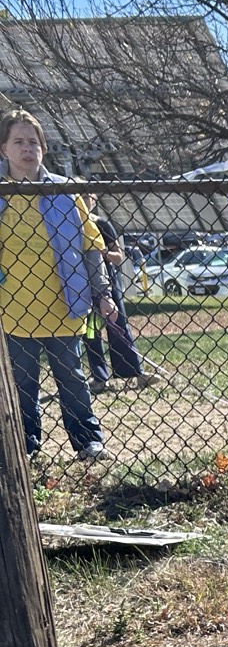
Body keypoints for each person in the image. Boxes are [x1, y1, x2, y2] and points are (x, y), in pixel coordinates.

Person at [0, 109, 109, 459]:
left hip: (65, 305)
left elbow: (92, 246)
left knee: (72, 379)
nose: (27, 148)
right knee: (22, 385)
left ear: (43, 149)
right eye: (18, 141)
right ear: (4, 149)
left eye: (34, 142)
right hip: (13, 311)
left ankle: (88, 441)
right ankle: (27, 445)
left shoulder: (66, 191)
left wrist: (102, 293)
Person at [81, 193, 149, 389]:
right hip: (84, 286)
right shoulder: (70, 224)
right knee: (92, 332)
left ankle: (132, 370)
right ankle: (100, 376)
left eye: (87, 196)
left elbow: (118, 256)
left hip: (107, 284)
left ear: (94, 200)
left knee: (117, 325)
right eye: (79, 196)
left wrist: (100, 253)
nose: (84, 200)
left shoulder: (102, 224)